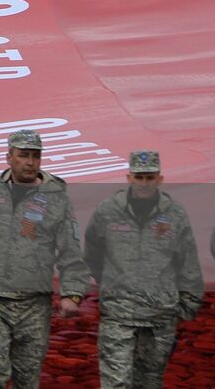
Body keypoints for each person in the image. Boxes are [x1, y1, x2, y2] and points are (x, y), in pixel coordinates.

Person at [0, 130, 89, 389]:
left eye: (36, 156)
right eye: (23, 155)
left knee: (27, 379)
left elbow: (70, 249)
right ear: (9, 157)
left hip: (34, 305)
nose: (30, 162)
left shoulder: (57, 198)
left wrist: (73, 293)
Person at [83, 150, 202, 389]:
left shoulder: (175, 214)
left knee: (149, 382)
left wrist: (187, 306)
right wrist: (109, 283)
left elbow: (187, 261)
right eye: (139, 177)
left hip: (160, 315)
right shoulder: (108, 211)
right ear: (129, 178)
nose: (144, 183)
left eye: (150, 178)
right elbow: (92, 252)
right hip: (119, 314)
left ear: (160, 179)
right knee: (116, 382)